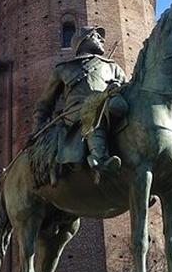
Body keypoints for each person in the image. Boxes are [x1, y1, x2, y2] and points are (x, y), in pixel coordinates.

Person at [31, 25, 127, 177]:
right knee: (93, 111)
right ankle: (99, 160)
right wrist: (36, 131)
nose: (102, 39)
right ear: (85, 39)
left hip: (110, 105)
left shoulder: (112, 67)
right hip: (77, 113)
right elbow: (45, 104)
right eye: (97, 36)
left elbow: (128, 89)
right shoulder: (64, 70)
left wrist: (117, 87)